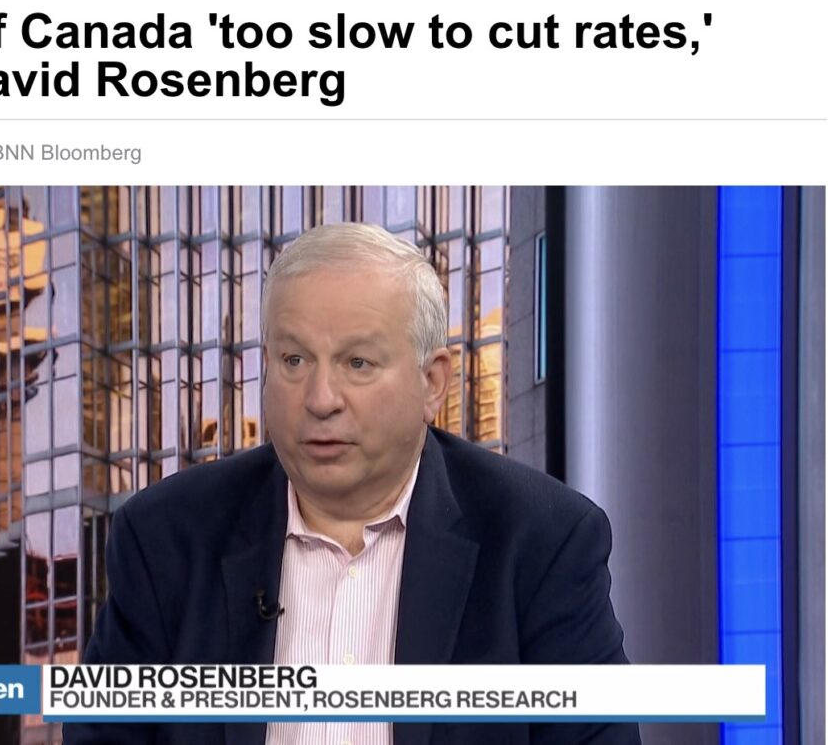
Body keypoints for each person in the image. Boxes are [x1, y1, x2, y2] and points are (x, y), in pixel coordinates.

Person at [64, 223, 640, 745]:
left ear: (432, 383)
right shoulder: (166, 537)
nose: (320, 399)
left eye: (357, 363)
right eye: (294, 361)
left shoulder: (541, 542)